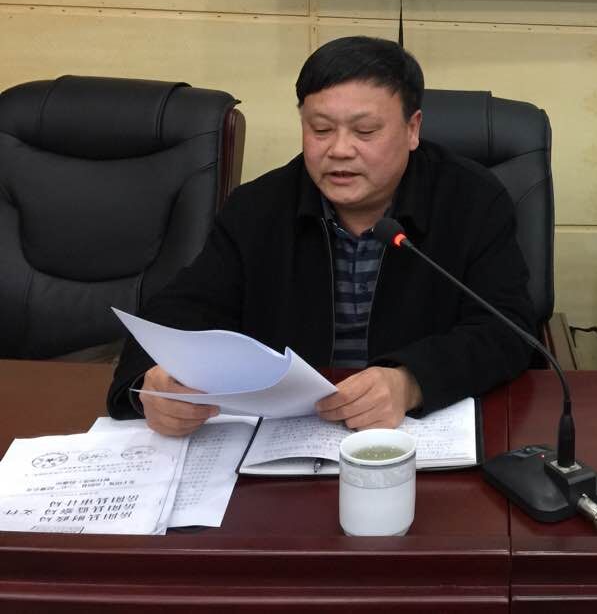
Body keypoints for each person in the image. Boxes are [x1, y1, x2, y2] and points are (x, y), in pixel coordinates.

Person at [107, 36, 536, 436]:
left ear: (412, 129)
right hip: (288, 435)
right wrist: (151, 384)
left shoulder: (472, 200)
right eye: (321, 129)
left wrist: (412, 381)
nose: (339, 150)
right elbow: (180, 311)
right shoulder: (258, 208)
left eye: (365, 131)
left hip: (411, 436)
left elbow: (508, 328)